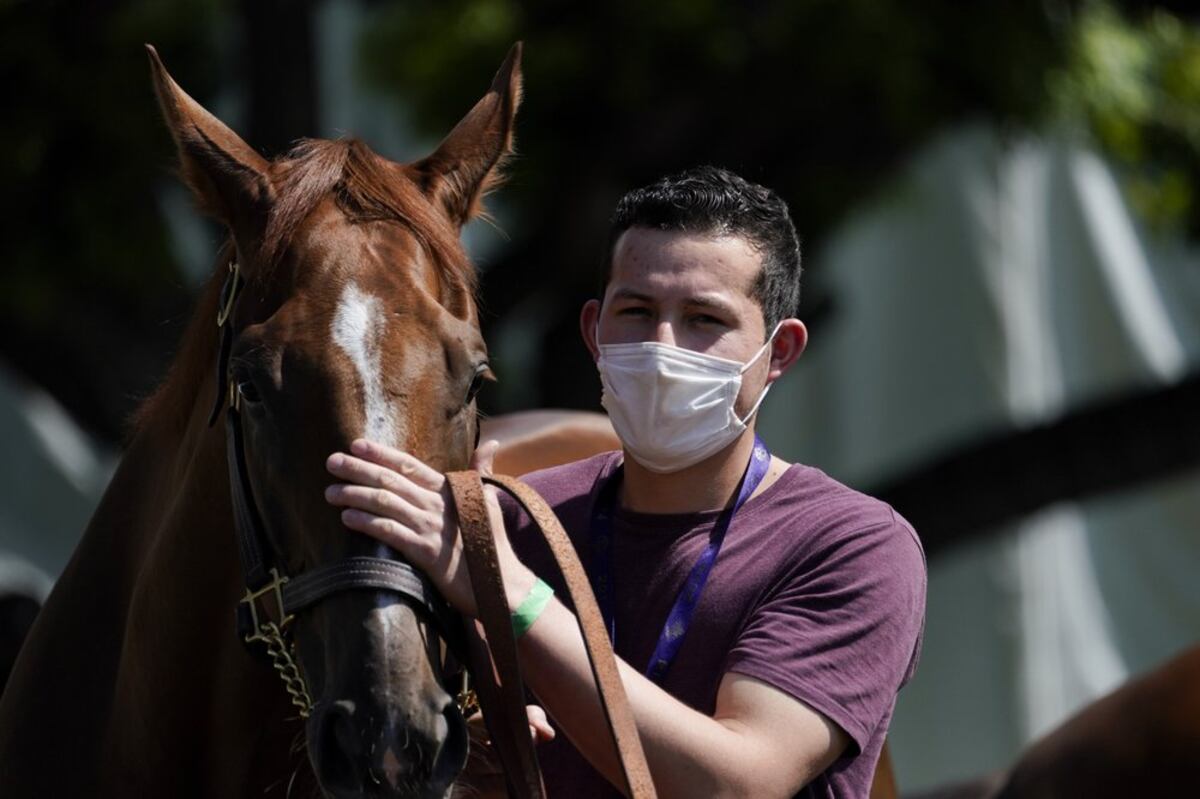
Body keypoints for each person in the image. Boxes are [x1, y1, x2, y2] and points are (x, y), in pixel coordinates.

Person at [324, 166, 927, 798]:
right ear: (594, 332)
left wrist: (515, 595)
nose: (663, 346)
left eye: (704, 319)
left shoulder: (854, 546)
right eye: (636, 311)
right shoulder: (511, 520)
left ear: (779, 352)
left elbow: (738, 786)